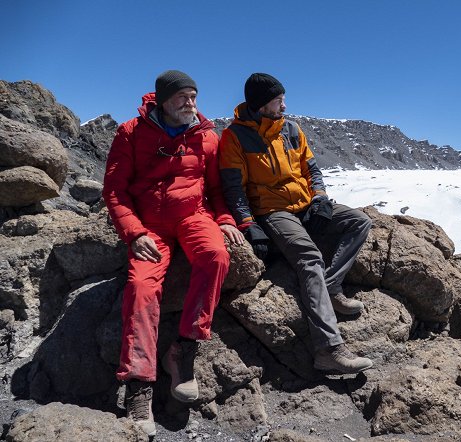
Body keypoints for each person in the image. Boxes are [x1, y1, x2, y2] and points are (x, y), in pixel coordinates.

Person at [103, 70, 243, 436]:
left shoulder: (206, 137)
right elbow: (115, 191)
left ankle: (183, 348)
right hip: (149, 225)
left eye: (194, 96)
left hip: (193, 216)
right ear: (163, 101)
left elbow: (214, 187)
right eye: (182, 97)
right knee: (141, 287)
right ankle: (138, 386)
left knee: (215, 256)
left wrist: (225, 219)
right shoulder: (131, 132)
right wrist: (133, 233)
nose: (190, 103)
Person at [219, 73, 374, 375]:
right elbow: (233, 187)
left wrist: (320, 199)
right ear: (262, 104)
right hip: (273, 212)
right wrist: (248, 223)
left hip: (305, 205)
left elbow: (312, 169)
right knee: (309, 258)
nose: (285, 106)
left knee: (359, 222)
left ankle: (330, 286)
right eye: (279, 101)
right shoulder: (235, 137)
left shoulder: (291, 130)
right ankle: (329, 350)